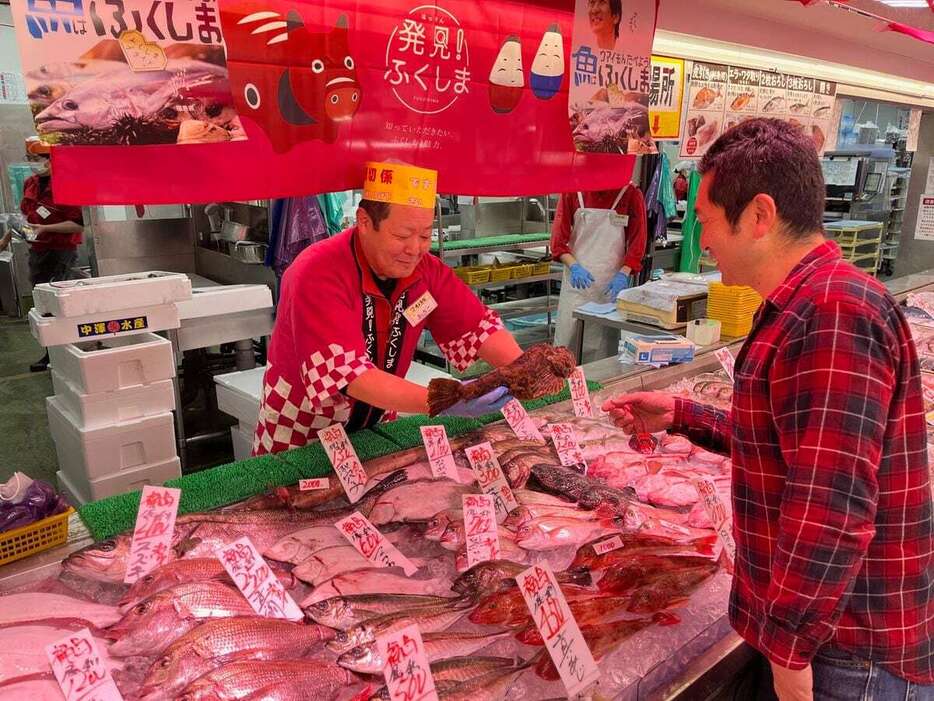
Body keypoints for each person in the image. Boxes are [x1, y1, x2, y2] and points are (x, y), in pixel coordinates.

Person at [603, 118, 934, 700]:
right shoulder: (802, 302)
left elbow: (829, 507)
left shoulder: (833, 312)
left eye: (705, 221)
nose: (702, 240)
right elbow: (795, 446)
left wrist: (787, 653)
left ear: (759, 215)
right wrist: (682, 413)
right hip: (827, 640)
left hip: (846, 653)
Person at [252, 162, 525, 455]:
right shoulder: (315, 272)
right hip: (303, 430)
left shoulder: (426, 271)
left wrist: (526, 370)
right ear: (365, 222)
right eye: (402, 235)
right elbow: (350, 375)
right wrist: (446, 400)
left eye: (424, 235)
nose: (415, 249)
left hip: (378, 420)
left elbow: (478, 328)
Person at [0, 137, 83, 372]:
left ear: (51, 159)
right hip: (37, 252)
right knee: (44, 305)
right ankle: (52, 354)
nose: (32, 163)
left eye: (36, 159)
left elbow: (78, 225)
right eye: (30, 158)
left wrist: (46, 228)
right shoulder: (30, 183)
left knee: (61, 305)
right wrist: (7, 238)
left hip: (62, 253)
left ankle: (69, 353)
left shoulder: (68, 183)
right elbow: (25, 218)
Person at [550, 184, 647, 361]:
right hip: (577, 286)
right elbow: (557, 243)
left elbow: (637, 242)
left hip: (609, 288)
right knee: (566, 347)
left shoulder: (630, 194)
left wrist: (624, 273)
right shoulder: (573, 190)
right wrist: (574, 267)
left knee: (602, 350)